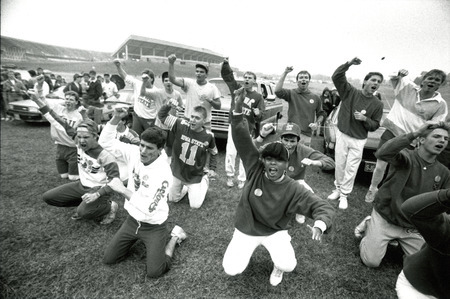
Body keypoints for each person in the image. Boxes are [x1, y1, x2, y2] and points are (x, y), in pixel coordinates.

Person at [222, 87, 335, 287]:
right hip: (246, 229)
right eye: (269, 160)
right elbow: (241, 138)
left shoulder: (294, 187)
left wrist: (320, 224)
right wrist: (237, 108)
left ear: (286, 163)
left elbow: (323, 207)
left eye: (279, 161)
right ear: (263, 160)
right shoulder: (255, 168)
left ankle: (278, 266)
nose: (273, 164)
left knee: (288, 265)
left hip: (275, 231)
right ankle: (239, 244)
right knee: (231, 269)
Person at [98, 108, 187, 278]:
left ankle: (175, 237)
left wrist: (122, 189)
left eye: (149, 148)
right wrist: (115, 119)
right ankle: (135, 239)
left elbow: (149, 208)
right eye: (142, 145)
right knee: (109, 259)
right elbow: (105, 142)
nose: (143, 151)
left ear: (160, 150)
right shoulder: (134, 152)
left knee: (155, 271)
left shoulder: (163, 173)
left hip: (153, 225)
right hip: (132, 221)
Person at [356, 122, 449, 268]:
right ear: (422, 140)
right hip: (386, 218)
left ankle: (394, 239)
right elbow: (382, 153)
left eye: (445, 139)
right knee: (371, 261)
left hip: (413, 227)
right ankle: (370, 224)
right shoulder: (405, 157)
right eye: (437, 136)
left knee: (421, 266)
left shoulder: (444, 172)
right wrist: (415, 133)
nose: (442, 141)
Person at [365, 69, 448, 203]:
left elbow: (436, 125)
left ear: (440, 85)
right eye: (430, 78)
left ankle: (388, 196)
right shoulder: (407, 87)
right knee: (380, 164)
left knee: (396, 170)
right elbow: (392, 76)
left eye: (437, 80)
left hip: (410, 140)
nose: (432, 81)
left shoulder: (441, 104)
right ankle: (373, 188)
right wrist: (399, 74)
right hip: (391, 133)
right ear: (423, 79)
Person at [39, 112, 120, 224]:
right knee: (48, 197)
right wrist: (39, 100)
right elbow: (60, 121)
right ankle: (86, 205)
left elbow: (115, 182)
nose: (81, 141)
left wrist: (97, 194)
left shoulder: (105, 155)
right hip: (81, 185)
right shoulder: (77, 140)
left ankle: (110, 207)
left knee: (83, 213)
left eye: (86, 137)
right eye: (79, 137)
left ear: (95, 136)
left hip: (99, 189)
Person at [327, 57, 384, 209]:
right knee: (340, 165)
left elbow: (375, 126)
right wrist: (348, 64)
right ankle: (338, 190)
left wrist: (365, 119)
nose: (376, 83)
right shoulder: (350, 92)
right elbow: (336, 77)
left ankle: (344, 195)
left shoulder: (378, 104)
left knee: (351, 168)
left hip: (359, 140)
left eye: (379, 81)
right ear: (365, 82)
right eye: (373, 80)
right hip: (343, 134)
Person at [256, 122, 335, 224]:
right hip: (274, 180)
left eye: (292, 141)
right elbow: (254, 150)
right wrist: (261, 136)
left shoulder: (303, 150)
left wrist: (314, 162)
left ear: (298, 141)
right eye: (286, 140)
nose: (288, 144)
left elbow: (331, 162)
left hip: (294, 181)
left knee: (307, 192)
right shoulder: (274, 147)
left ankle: (300, 212)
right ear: (281, 139)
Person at [158, 100, 218, 209]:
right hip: (178, 171)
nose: (193, 120)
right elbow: (162, 116)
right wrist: (168, 105)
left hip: (194, 175)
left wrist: (212, 168)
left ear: (204, 121)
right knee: (172, 199)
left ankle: (204, 181)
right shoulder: (180, 124)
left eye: (197, 118)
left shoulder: (209, 136)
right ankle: (184, 188)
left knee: (195, 205)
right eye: (192, 117)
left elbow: (214, 152)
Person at [395, 189, 450, 299]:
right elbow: (411, 209)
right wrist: (447, 195)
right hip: (419, 289)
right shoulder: (447, 231)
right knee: (372, 259)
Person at [221, 57, 265, 189]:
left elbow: (261, 116)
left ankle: (242, 178)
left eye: (250, 77)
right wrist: (226, 64)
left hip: (247, 128)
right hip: (234, 125)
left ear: (254, 81)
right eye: (245, 77)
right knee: (230, 151)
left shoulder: (258, 97)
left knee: (244, 153)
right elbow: (227, 76)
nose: (247, 79)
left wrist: (258, 114)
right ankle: (230, 176)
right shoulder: (237, 89)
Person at [31, 91, 83, 180]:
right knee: (63, 176)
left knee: (73, 178)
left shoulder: (79, 116)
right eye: (66, 99)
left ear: (76, 102)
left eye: (71, 99)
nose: (68, 101)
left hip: (73, 148)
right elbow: (44, 103)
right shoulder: (58, 109)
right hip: (60, 146)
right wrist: (39, 87)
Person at [275, 66, 326, 146]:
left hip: (306, 134)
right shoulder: (291, 93)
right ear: (297, 81)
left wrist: (317, 123)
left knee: (303, 157)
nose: (303, 79)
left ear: (309, 81)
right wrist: (285, 73)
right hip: (290, 132)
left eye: (306, 77)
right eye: (301, 77)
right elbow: (277, 91)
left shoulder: (315, 97)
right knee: (287, 155)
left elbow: (321, 114)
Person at [167, 54, 221, 129]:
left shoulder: (212, 88)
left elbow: (218, 106)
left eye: (201, 72)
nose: (198, 73)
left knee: (205, 140)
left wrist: (210, 100)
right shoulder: (189, 83)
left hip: (204, 123)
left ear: (206, 75)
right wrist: (171, 63)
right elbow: (173, 79)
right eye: (197, 71)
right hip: (188, 120)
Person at [113, 59, 157, 136]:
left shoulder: (156, 91)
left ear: (152, 79)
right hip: (137, 117)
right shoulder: (138, 84)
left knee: (150, 138)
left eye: (147, 78)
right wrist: (118, 66)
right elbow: (124, 76)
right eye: (143, 77)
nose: (144, 79)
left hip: (149, 119)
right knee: (135, 136)